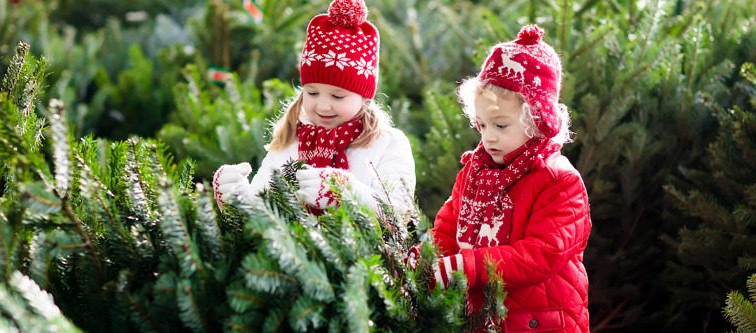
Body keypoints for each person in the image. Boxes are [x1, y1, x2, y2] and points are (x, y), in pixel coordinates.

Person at [409, 25, 591, 332]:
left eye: (501, 126)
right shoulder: (475, 171)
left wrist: (467, 266)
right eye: (482, 125)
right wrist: (428, 259)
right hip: (482, 317)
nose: (488, 137)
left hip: (536, 321)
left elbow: (541, 254)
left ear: (534, 121)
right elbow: (449, 224)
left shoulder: (559, 181)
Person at [213, 0, 415, 216]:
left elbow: (401, 214)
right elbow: (262, 215)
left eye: (338, 96)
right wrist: (237, 196)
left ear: (364, 97)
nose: (323, 105)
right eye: (312, 93)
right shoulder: (289, 142)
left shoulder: (387, 144)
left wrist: (346, 193)